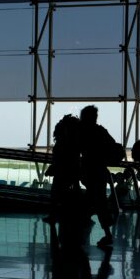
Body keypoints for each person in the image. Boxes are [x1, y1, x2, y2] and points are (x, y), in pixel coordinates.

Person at [79, 105, 116, 248]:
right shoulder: (101, 131)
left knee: (94, 203)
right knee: (97, 202)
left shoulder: (82, 132)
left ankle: (102, 234)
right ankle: (106, 233)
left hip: (90, 171)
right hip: (100, 171)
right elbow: (112, 145)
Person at [43, 114, 82, 245]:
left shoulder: (62, 143)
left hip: (62, 172)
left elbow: (59, 158)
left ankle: (54, 215)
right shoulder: (74, 142)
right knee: (72, 192)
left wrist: (54, 167)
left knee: (56, 193)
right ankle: (75, 215)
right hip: (71, 172)